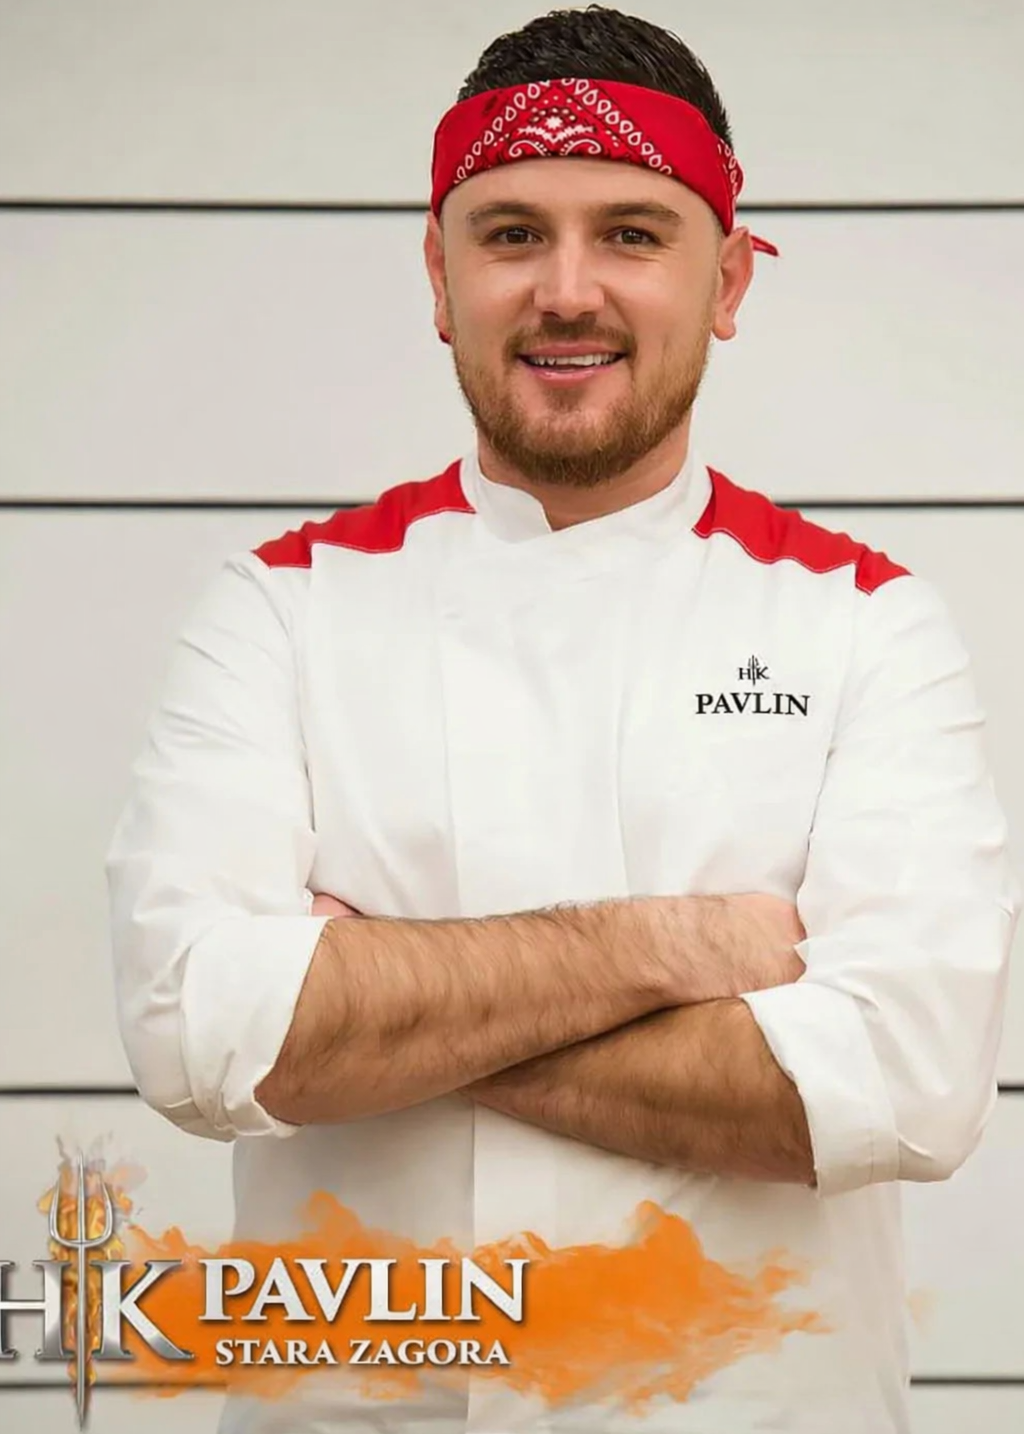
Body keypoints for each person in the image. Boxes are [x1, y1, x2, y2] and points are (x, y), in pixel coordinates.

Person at [105, 6, 1017, 1432]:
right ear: (439, 273)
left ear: (730, 279)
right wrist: (684, 945)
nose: (567, 289)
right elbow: (202, 1035)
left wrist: (376, 1010)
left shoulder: (863, 621)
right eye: (513, 232)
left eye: (634, 234)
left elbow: (900, 1085)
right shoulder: (279, 608)